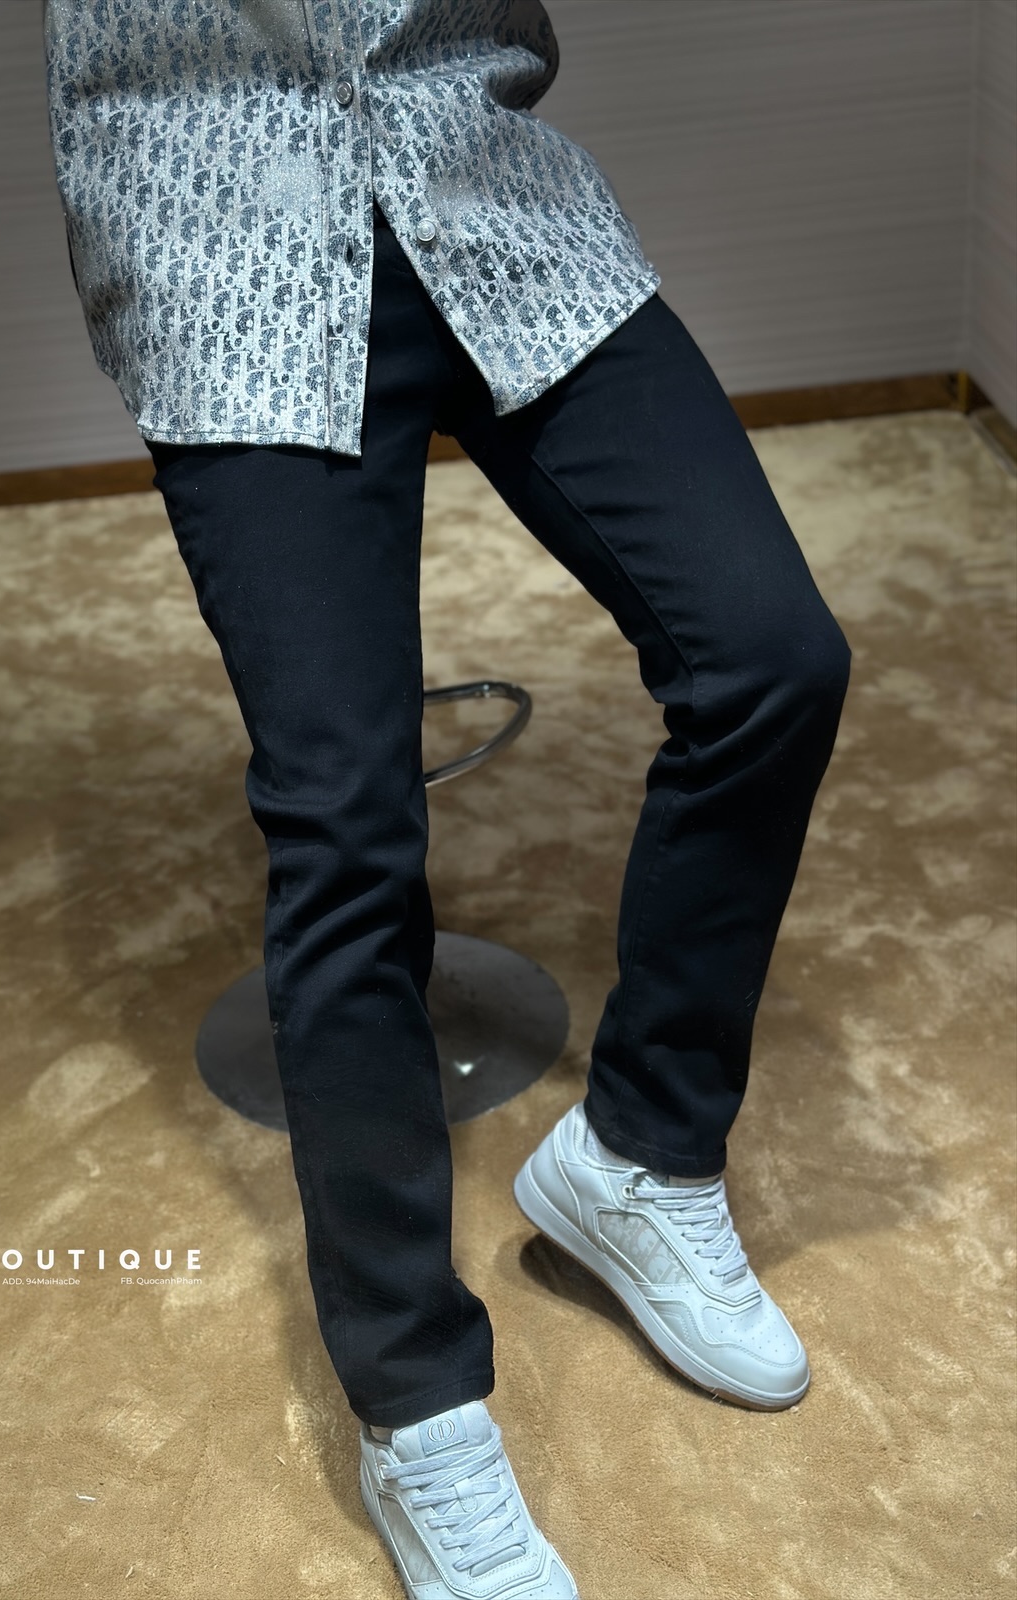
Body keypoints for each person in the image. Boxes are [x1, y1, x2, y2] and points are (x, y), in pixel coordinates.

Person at [42, 5, 852, 1597]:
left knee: (770, 656)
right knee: (345, 829)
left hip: (485, 174)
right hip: (221, 223)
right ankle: (416, 1405)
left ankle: (641, 1158)